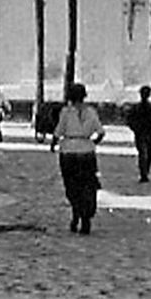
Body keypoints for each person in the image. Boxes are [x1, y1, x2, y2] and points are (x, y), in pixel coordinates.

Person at [52, 82, 105, 234]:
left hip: (68, 151)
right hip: (87, 152)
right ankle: (86, 216)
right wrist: (92, 142)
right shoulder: (91, 112)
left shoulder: (66, 112)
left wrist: (54, 144)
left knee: (71, 185)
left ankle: (76, 213)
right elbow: (101, 132)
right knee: (88, 184)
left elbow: (58, 131)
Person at [125, 85, 151, 183]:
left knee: (147, 154)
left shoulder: (150, 107)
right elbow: (130, 120)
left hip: (147, 134)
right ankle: (144, 173)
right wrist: (136, 129)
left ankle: (145, 172)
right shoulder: (137, 108)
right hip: (142, 134)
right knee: (144, 154)